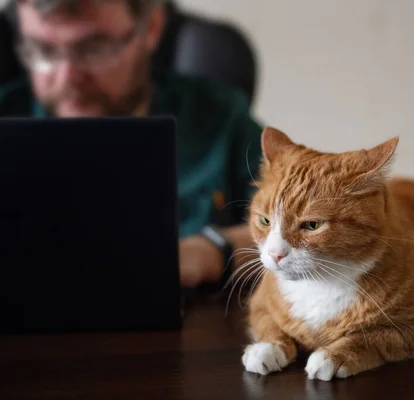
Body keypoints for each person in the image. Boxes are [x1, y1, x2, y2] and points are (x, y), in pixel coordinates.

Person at [0, 0, 263, 289]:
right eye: (43, 50)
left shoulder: (219, 118)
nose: (67, 77)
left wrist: (213, 249)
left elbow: (296, 222)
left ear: (150, 28)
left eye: (94, 49)